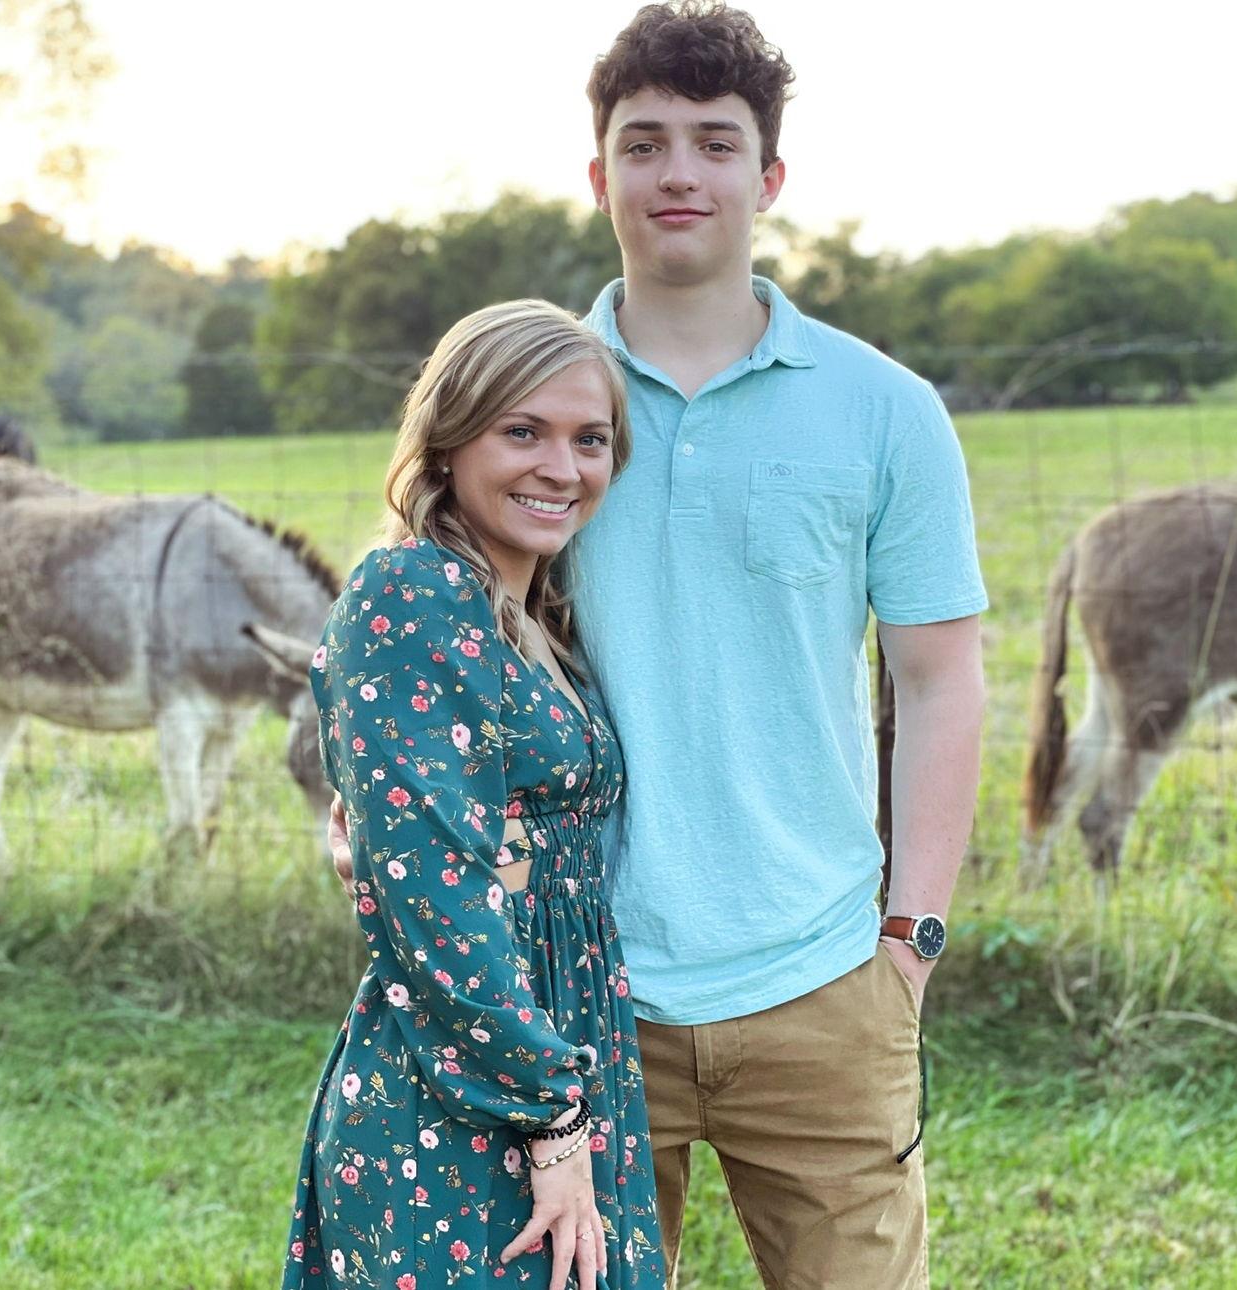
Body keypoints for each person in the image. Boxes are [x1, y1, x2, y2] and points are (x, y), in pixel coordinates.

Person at [333, 4, 988, 1286]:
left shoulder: (887, 411)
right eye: (644, 144)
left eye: (714, 142)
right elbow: (437, 648)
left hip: (822, 977)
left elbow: (940, 679)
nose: (678, 172)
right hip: (581, 989)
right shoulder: (541, 408)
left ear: (769, 176)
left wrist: (911, 939)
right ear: (600, 177)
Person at [283, 300, 666, 1290]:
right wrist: (551, 1122)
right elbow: (436, 896)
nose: (562, 467)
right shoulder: (415, 591)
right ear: (448, 441)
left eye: (590, 440)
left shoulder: (538, 615)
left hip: (560, 1046)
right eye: (522, 432)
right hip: (469, 1087)